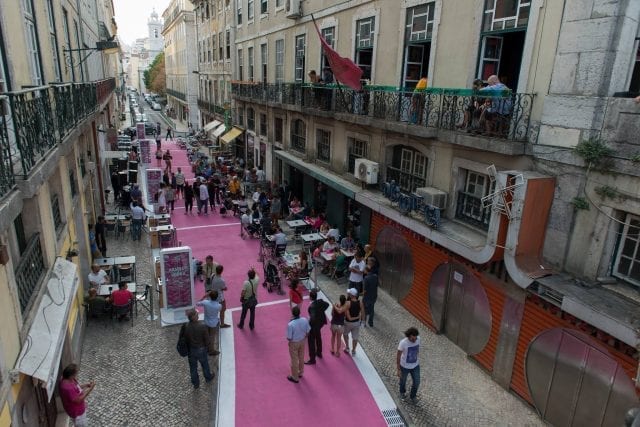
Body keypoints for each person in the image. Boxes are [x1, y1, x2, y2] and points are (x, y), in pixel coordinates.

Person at [181, 308, 214, 389]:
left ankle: (195, 383)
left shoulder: (186, 326)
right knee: (205, 365)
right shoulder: (202, 326)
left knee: (193, 368)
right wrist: (208, 347)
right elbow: (207, 340)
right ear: (193, 317)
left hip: (191, 350)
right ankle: (208, 377)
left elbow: (185, 338)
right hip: (201, 349)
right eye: (196, 314)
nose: (198, 315)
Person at [286, 306, 310, 384]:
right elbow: (308, 331)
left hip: (294, 343)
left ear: (292, 313)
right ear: (299, 313)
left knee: (294, 360)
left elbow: (289, 338)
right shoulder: (304, 320)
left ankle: (295, 377)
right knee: (301, 357)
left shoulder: (290, 324)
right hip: (302, 341)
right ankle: (300, 372)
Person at [305, 290, 330, 365]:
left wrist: (309, 326)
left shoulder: (312, 307)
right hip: (320, 323)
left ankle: (312, 359)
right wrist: (321, 311)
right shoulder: (320, 302)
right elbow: (327, 304)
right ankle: (319, 353)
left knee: (311, 341)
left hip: (314, 325)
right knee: (318, 337)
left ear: (311, 297)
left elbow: (312, 318)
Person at [397, 327, 421, 402]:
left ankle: (413, 396)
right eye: (413, 338)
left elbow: (418, 349)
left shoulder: (418, 339)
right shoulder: (403, 343)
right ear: (409, 336)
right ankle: (402, 392)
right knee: (403, 381)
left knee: (417, 382)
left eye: (415, 338)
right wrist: (398, 369)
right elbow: (398, 356)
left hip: (415, 365)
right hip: (404, 366)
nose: (414, 340)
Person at [196, 290, 221, 356]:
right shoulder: (218, 305)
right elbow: (219, 309)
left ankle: (206, 348)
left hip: (206, 322)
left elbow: (197, 303)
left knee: (206, 336)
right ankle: (211, 350)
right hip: (213, 323)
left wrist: (204, 296)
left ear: (209, 296)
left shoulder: (205, 302)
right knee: (212, 337)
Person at [343, 288, 364, 356]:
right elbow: (363, 312)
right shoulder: (360, 302)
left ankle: (347, 347)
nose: (348, 294)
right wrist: (363, 322)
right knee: (355, 337)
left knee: (345, 334)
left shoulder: (348, 303)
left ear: (351, 295)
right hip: (356, 323)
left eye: (349, 293)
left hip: (348, 322)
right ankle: (354, 350)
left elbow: (344, 313)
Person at [362, 257, 379, 327]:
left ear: (366, 270)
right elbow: (377, 285)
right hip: (374, 296)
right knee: (372, 309)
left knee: (365, 310)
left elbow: (364, 290)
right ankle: (371, 323)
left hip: (367, 297)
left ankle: (364, 323)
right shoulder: (375, 276)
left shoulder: (366, 278)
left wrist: (360, 294)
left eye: (364, 270)